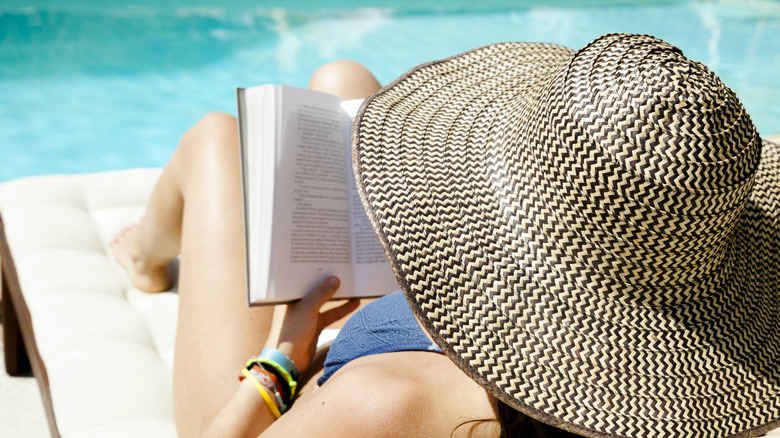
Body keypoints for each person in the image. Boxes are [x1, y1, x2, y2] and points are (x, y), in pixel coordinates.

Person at [112, 33, 780, 438]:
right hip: (453, 342)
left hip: (294, 391)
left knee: (214, 139)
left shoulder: (383, 406)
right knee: (341, 83)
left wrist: (285, 355)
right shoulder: (689, 387)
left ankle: (144, 259)